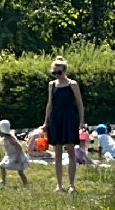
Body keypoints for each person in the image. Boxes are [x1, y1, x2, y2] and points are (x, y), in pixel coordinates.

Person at [42, 56, 85, 193]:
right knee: (58, 153)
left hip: (69, 119)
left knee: (71, 151)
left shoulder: (73, 84)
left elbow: (79, 104)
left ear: (65, 71)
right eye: (54, 73)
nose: (57, 75)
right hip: (56, 120)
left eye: (59, 72)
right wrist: (45, 122)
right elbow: (49, 104)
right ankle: (59, 185)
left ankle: (72, 185)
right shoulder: (51, 85)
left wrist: (82, 121)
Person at [0, 119, 28, 186]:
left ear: (2, 131)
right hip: (10, 155)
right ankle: (3, 181)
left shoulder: (11, 139)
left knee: (20, 172)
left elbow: (19, 147)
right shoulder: (5, 138)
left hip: (16, 156)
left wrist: (18, 157)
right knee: (2, 166)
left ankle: (25, 184)